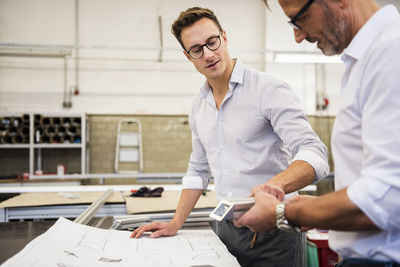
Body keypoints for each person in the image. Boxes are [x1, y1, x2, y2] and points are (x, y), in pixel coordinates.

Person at [130, 7, 329, 267]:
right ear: (187, 56)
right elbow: (198, 170)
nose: (208, 54)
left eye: (212, 42)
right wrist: (176, 221)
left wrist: (272, 188)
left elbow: (314, 152)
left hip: (273, 232)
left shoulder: (268, 90)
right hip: (224, 228)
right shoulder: (199, 106)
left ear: (224, 37)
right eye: (197, 49)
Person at [236, 0, 400, 266]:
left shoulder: (390, 52)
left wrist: (286, 212)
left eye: (299, 19)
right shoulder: (365, 60)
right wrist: (315, 207)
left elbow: (388, 197)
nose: (298, 36)